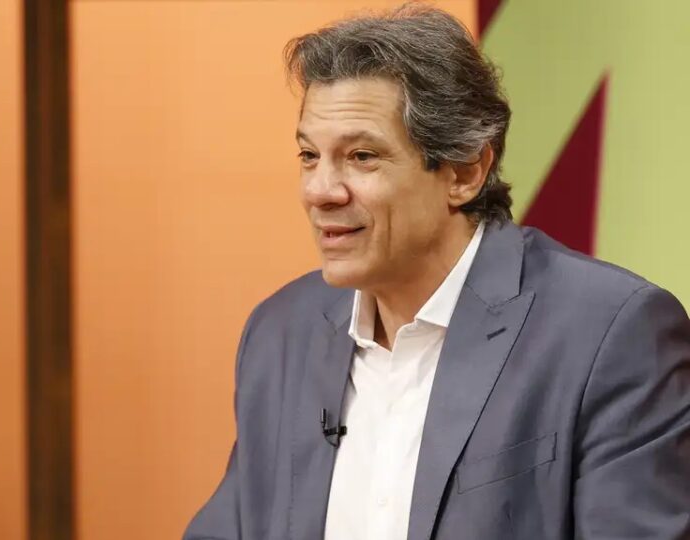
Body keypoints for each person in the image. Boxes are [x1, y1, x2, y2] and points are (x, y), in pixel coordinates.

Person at [183, 4, 690, 540]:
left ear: (465, 172)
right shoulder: (281, 333)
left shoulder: (608, 333)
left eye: (361, 156)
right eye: (310, 156)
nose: (320, 191)